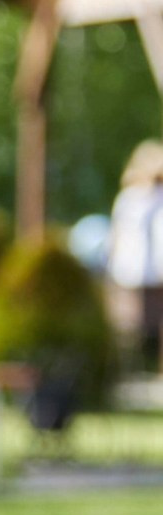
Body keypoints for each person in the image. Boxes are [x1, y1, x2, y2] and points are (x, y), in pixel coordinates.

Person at [107, 139, 163, 368]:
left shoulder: (143, 197)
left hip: (149, 273)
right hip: (132, 273)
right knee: (130, 329)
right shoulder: (130, 198)